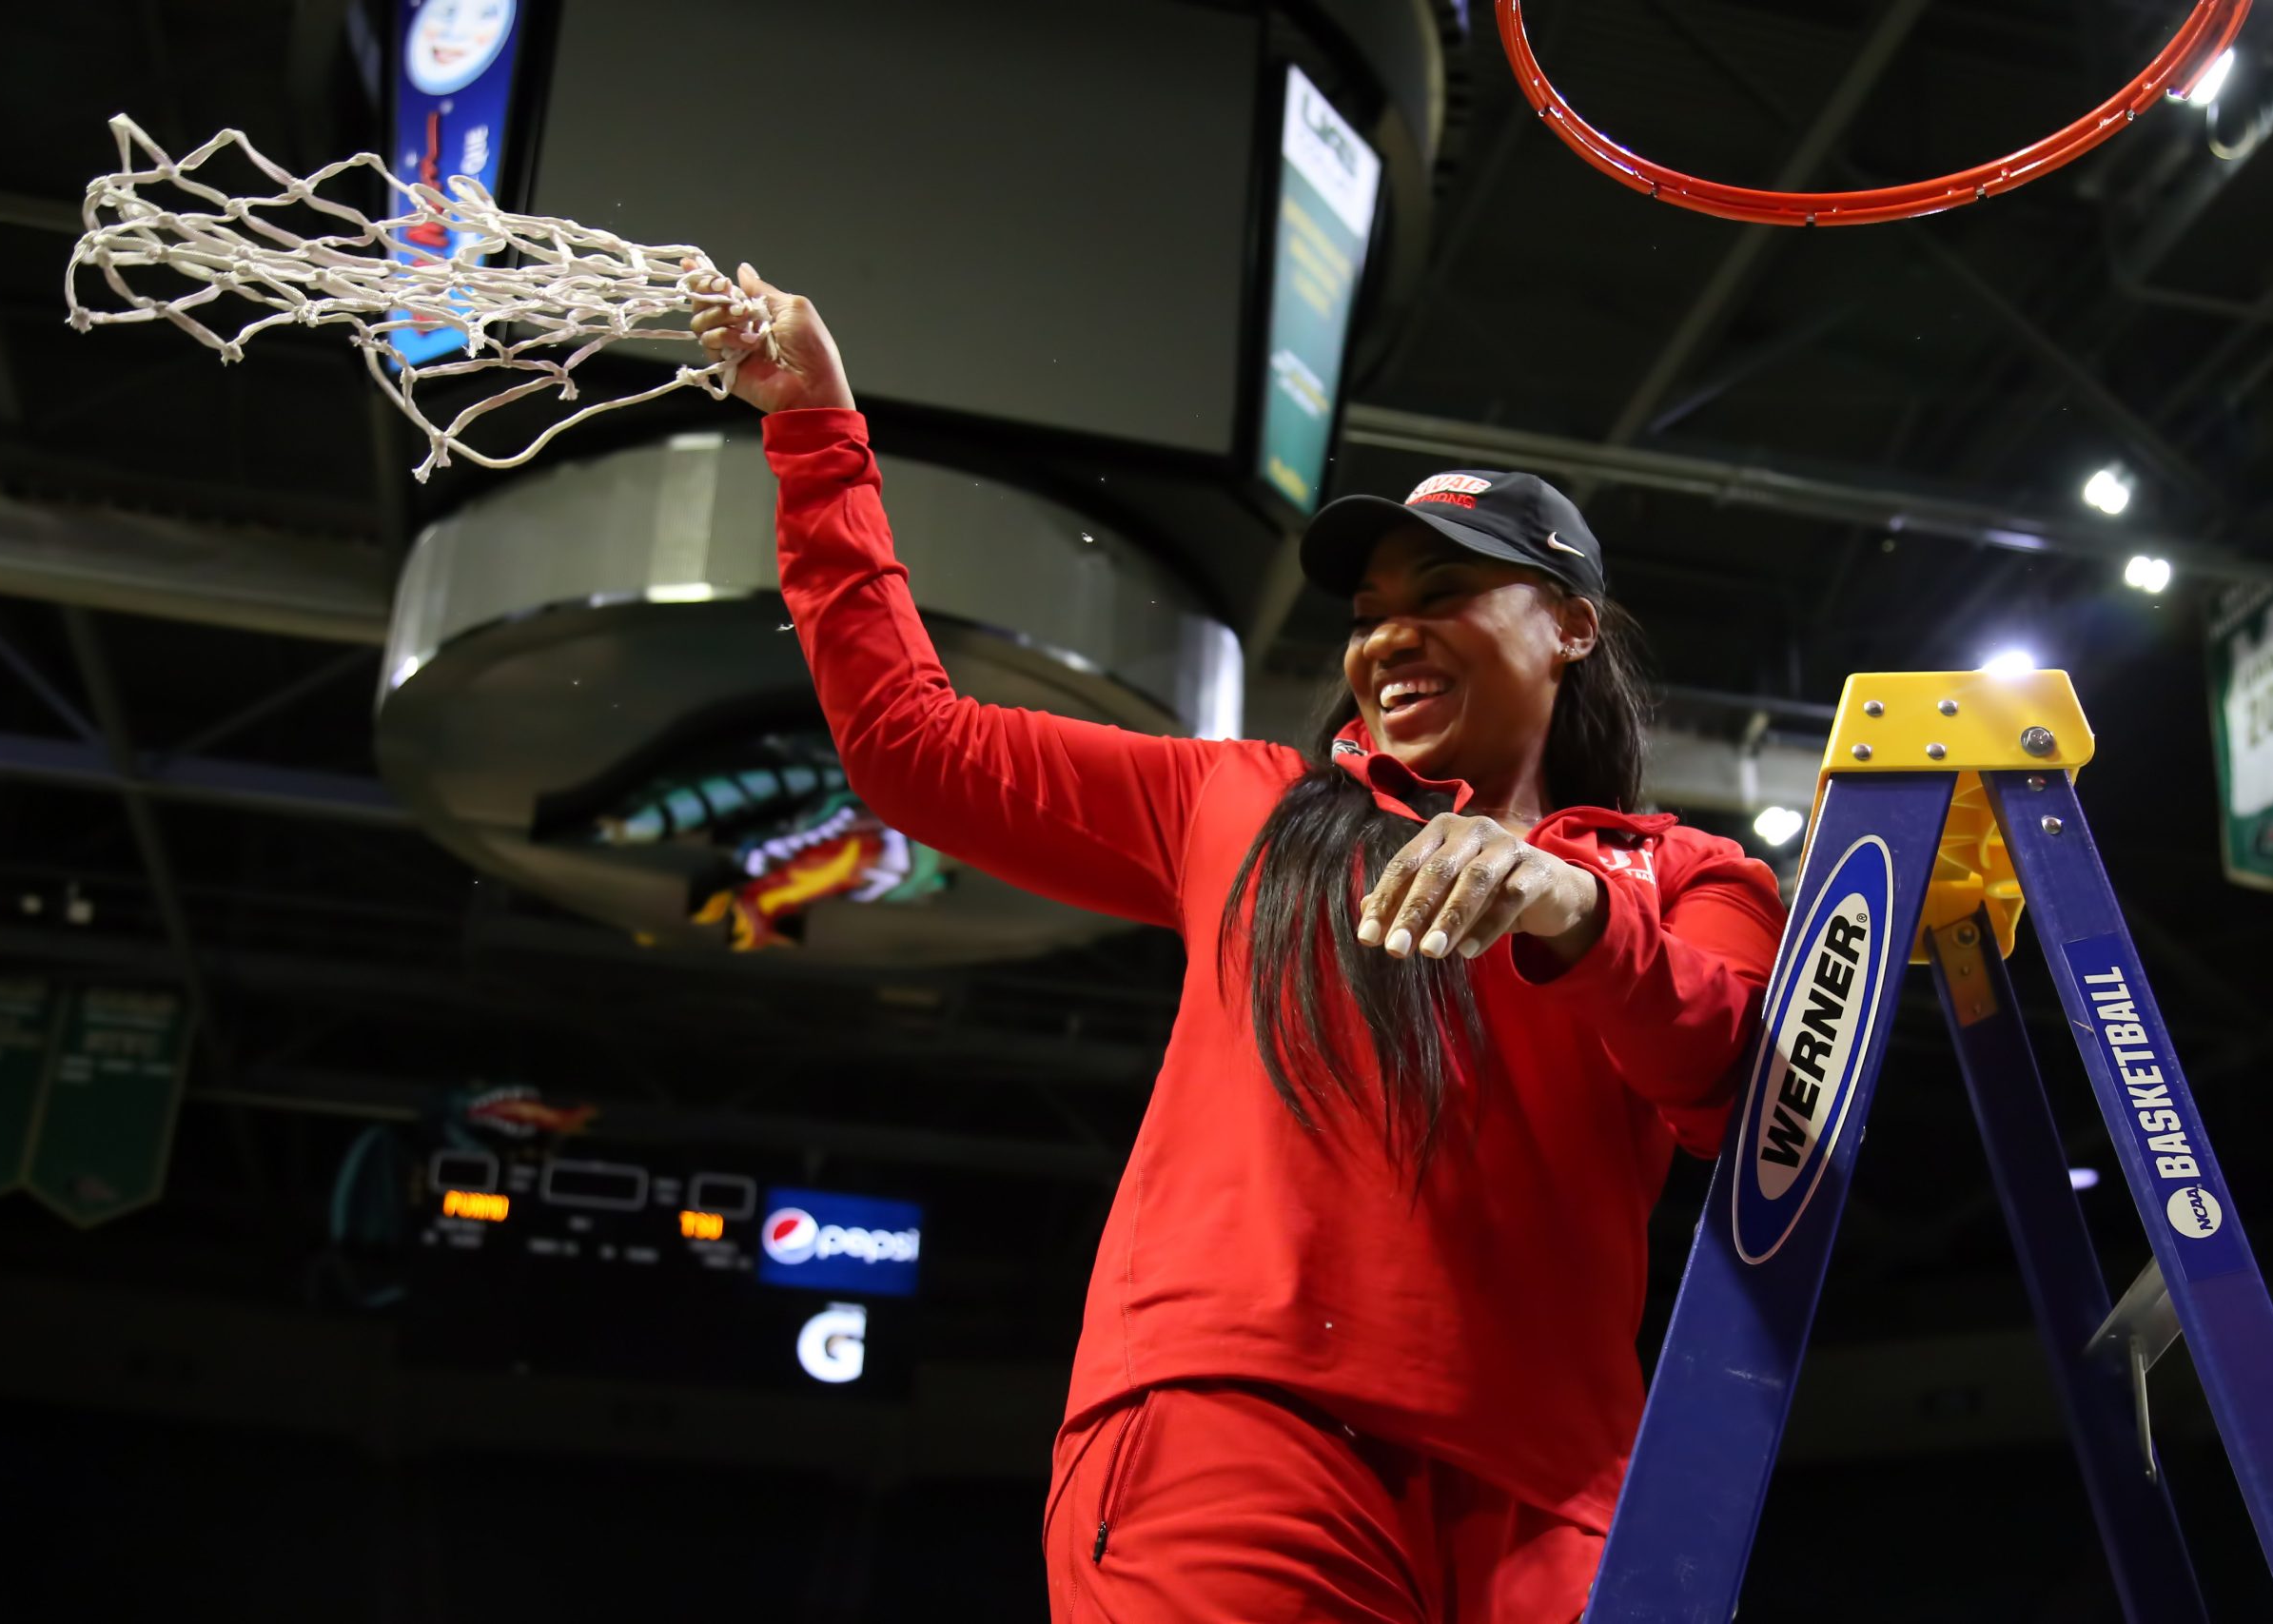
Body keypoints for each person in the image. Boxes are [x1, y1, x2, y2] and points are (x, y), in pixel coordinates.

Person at [692, 266, 1788, 1623]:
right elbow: (913, 749)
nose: (1388, 634)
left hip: (1554, 1498)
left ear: (1570, 626)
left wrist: (1573, 910)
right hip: (1237, 1425)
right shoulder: (1244, 806)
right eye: (1369, 610)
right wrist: (818, 435)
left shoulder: (1691, 877)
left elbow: (1735, 1091)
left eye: (1441, 590)